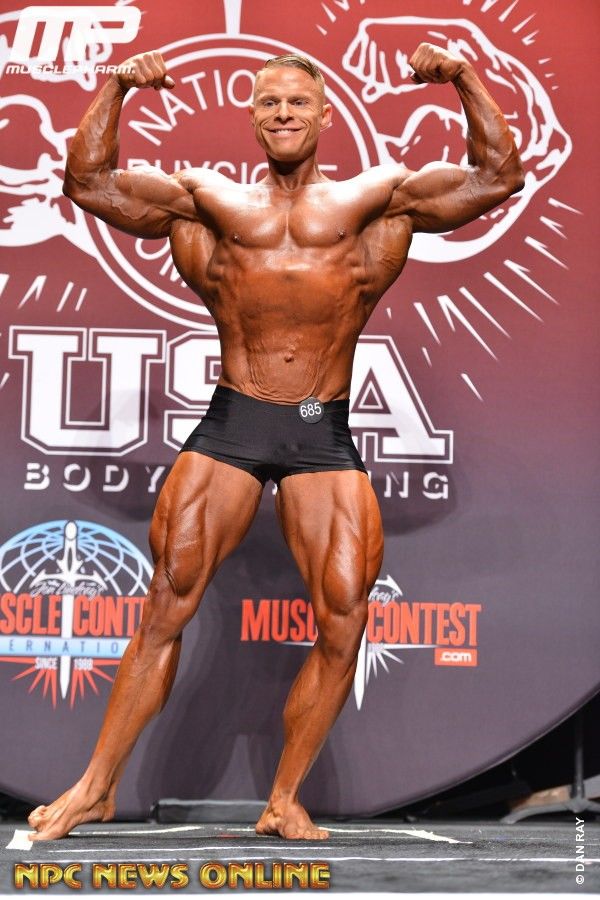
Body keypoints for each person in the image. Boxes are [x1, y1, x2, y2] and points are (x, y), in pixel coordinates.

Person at [28, 43, 523, 841]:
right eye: (269, 102)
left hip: (319, 427)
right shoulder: (206, 200)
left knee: (344, 617)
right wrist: (116, 86)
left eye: (297, 102)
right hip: (237, 418)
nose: (284, 113)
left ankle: (284, 798)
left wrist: (464, 78)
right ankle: (94, 787)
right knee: (167, 600)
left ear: (325, 115)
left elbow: (497, 177)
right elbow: (88, 182)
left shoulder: (377, 199)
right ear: (252, 117)